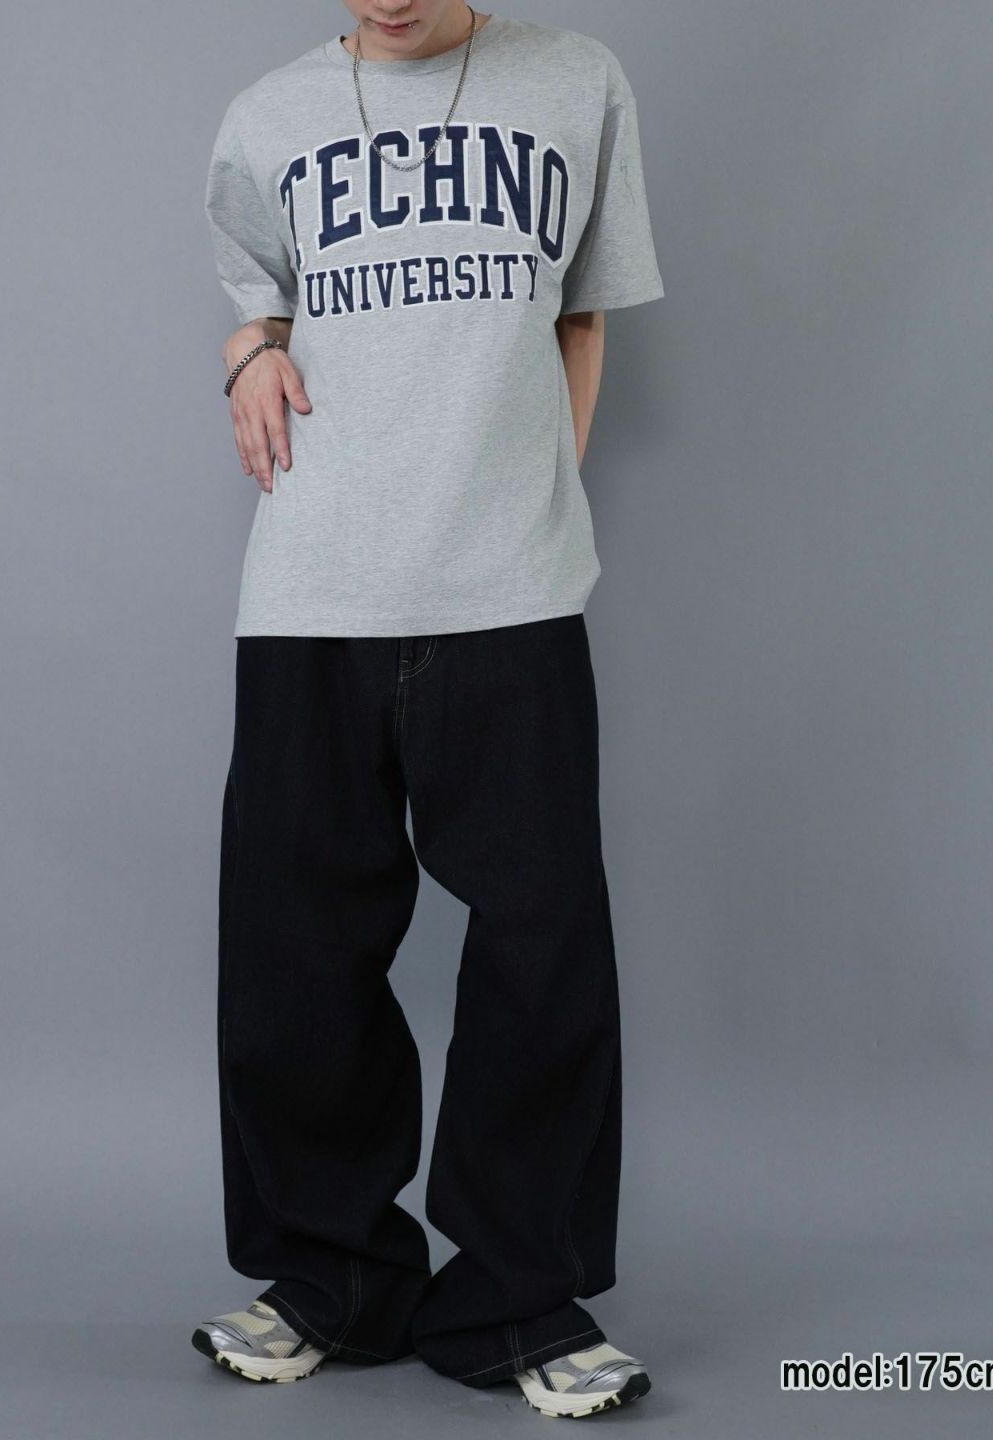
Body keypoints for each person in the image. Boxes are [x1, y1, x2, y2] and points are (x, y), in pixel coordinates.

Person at [194, 0, 664, 1418]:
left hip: (510, 589)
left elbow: (580, 314)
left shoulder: (575, 84)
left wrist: (531, 499)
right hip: (313, 589)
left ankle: (520, 1299)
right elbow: (258, 309)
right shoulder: (266, 116)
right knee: (295, 955)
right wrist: (247, 354)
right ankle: (333, 1278)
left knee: (544, 953)